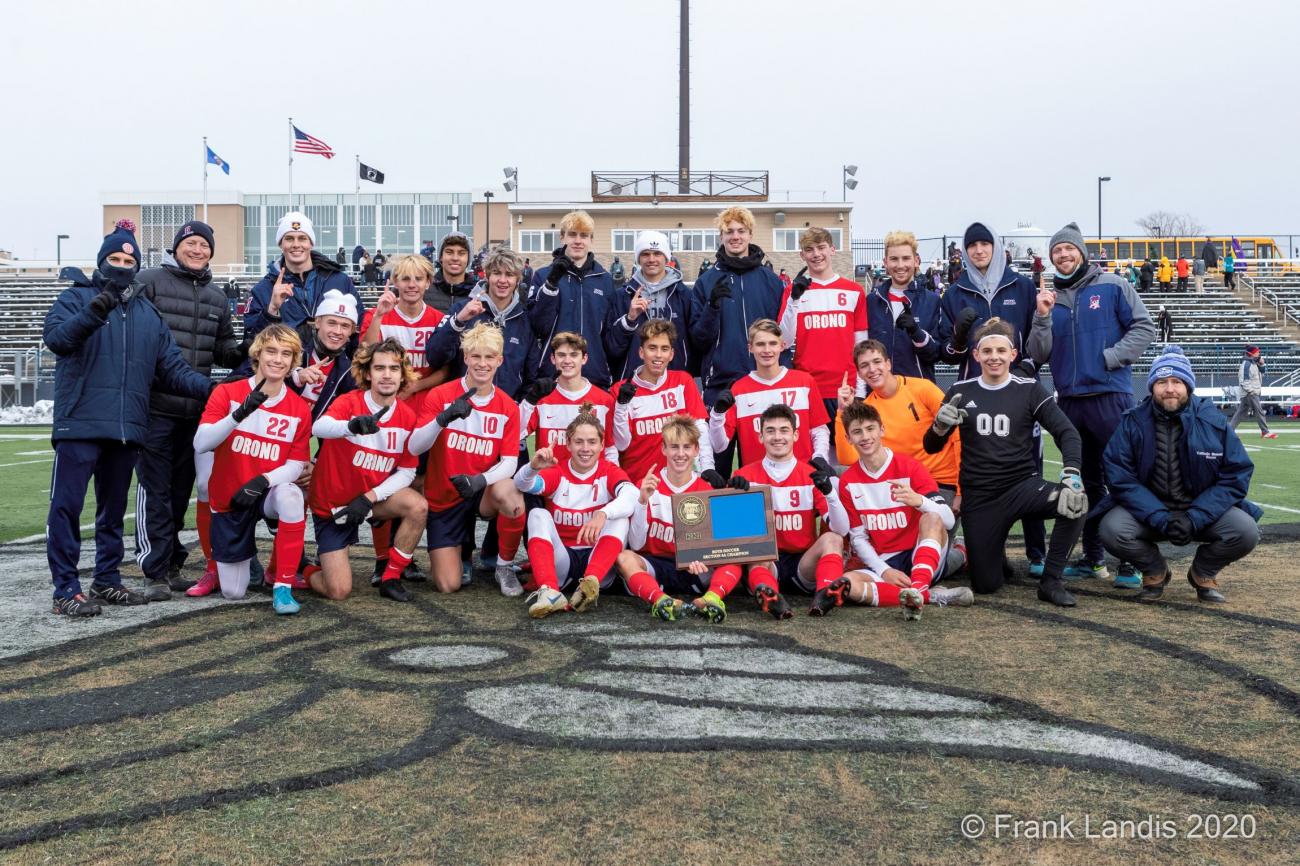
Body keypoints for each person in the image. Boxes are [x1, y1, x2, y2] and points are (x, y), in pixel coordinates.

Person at [43, 220, 216, 617]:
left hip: (127, 428)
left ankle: (106, 579)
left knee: (111, 511)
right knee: (67, 508)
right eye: (115, 259)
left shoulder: (147, 313)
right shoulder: (75, 299)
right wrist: (95, 309)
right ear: (101, 261)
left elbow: (172, 369)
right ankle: (65, 588)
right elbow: (58, 340)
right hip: (80, 423)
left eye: (129, 260)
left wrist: (214, 390)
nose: (122, 265)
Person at [1027, 222, 1155, 588]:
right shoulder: (1050, 299)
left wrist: (1112, 357)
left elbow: (1144, 328)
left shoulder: (1113, 286)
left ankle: (1130, 562)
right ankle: (1093, 558)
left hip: (1110, 396)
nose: (1063, 255)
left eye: (1069, 249)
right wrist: (1042, 316)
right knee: (1082, 484)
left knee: (1122, 478)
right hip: (1069, 402)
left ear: (1082, 252)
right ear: (1051, 258)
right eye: (1057, 252)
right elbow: (1038, 353)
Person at [925, 318, 1086, 607]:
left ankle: (1051, 581)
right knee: (986, 585)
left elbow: (1067, 432)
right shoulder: (961, 391)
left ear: (1013, 354)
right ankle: (989, 553)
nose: (994, 357)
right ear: (976, 355)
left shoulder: (1029, 389)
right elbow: (931, 446)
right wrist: (939, 426)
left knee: (1074, 503)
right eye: (987, 352)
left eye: (1001, 351)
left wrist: (1071, 473)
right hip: (981, 497)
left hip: (1022, 487)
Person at [133, 220, 245, 600]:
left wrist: (252, 348)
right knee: (154, 489)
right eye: (191, 243)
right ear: (177, 246)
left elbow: (225, 351)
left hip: (195, 410)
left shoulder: (215, 296)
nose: (198, 250)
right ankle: (152, 568)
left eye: (204, 245)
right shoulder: (149, 280)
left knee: (182, 490)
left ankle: (171, 564)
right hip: (154, 406)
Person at [1099, 346, 1261, 603]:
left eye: (1177, 381)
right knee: (1111, 528)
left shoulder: (1214, 421)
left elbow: (1236, 475)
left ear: (1188, 385)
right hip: (1148, 512)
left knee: (1245, 531)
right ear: (1152, 386)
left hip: (1201, 511)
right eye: (1162, 382)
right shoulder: (1132, 422)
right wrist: (1159, 517)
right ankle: (1155, 570)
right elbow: (1120, 477)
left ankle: (1202, 573)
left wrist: (1195, 517)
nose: (1170, 388)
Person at [935, 221, 1046, 573]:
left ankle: (1037, 554)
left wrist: (1026, 368)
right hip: (975, 394)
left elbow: (1037, 338)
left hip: (1019, 392)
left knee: (1029, 469)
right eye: (972, 246)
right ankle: (985, 550)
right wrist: (958, 336)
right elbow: (946, 353)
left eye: (985, 244)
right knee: (974, 473)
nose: (979, 251)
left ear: (996, 247)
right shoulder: (954, 293)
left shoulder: (1022, 286)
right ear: (964, 252)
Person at [192, 324, 312, 615]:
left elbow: (296, 464)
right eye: (271, 351)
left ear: (293, 361)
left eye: (286, 354)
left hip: (266, 491)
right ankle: (224, 566)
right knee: (234, 592)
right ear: (257, 354)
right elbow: (201, 442)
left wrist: (264, 480)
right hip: (232, 494)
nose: (278, 359)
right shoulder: (227, 393)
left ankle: (282, 584)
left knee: (293, 496)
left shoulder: (298, 408)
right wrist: (238, 414)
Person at [305, 338, 426, 604]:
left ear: (402, 374)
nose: (386, 375)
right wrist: (351, 426)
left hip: (370, 500)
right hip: (335, 507)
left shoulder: (407, 417)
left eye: (394, 369)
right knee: (338, 591)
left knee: (418, 505)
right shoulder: (349, 402)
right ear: (368, 373)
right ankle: (302, 568)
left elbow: (406, 472)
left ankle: (390, 577)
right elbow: (319, 428)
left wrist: (369, 497)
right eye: (379, 368)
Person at [409, 323, 526, 595]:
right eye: (476, 356)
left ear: (499, 360)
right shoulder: (441, 395)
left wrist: (480, 480)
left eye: (489, 357)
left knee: (509, 492)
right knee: (449, 585)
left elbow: (509, 462)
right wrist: (442, 420)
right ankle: (462, 553)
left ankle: (504, 566)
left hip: (481, 490)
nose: (482, 364)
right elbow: (415, 447)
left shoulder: (508, 406)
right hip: (444, 495)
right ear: (466, 358)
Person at [837, 402, 974, 619]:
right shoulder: (848, 481)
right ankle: (928, 596)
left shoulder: (910, 468)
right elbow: (858, 538)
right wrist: (884, 571)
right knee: (846, 584)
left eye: (870, 428)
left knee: (932, 516)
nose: (865, 436)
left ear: (882, 429)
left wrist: (918, 500)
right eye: (857, 431)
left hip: (920, 557)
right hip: (885, 562)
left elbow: (947, 520)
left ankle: (919, 586)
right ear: (848, 438)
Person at [615, 415, 747, 623]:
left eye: (687, 447)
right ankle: (661, 601)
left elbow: (720, 543)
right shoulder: (648, 485)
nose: (680, 454)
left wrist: (705, 558)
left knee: (735, 556)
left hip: (696, 571)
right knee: (624, 557)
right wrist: (642, 501)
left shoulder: (707, 489)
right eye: (674, 447)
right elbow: (638, 543)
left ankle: (711, 598)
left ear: (696, 450)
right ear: (664, 449)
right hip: (656, 567)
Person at [514, 405, 638, 618]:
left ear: (601, 446)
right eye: (579, 442)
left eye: (592, 442)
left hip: (599, 564)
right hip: (564, 561)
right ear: (568, 444)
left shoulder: (609, 471)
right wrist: (533, 467)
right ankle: (550, 591)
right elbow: (523, 484)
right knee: (538, 514)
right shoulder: (558, 471)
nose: (585, 448)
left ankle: (589, 586)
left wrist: (603, 514)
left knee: (620, 517)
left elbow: (632, 495)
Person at [691, 206, 789, 474]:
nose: (735, 236)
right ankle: (718, 517)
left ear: (750, 234)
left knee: (759, 469)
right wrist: (712, 308)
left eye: (741, 231)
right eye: (729, 231)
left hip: (760, 385)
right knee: (717, 469)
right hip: (720, 385)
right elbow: (698, 339)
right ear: (721, 236)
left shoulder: (770, 281)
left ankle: (764, 517)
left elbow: (782, 335)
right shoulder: (706, 281)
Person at [730, 405, 853, 618]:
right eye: (770, 431)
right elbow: (734, 537)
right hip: (768, 562)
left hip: (803, 565)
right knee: (755, 551)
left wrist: (830, 493)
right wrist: (733, 496)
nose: (777, 437)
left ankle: (825, 593)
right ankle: (770, 597)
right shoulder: (745, 475)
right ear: (760, 437)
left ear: (795, 435)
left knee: (832, 538)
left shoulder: (811, 475)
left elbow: (841, 529)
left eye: (784, 430)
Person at [836, 340, 961, 506]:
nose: (872, 369)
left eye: (877, 361)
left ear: (888, 364)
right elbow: (848, 459)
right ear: (859, 373)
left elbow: (958, 435)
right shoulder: (868, 409)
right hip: (901, 487)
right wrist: (842, 411)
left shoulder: (923, 388)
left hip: (940, 483)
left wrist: (961, 490)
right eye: (865, 365)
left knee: (931, 529)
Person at [707, 319, 830, 469]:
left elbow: (819, 429)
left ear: (782, 346)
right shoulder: (739, 389)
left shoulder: (804, 382)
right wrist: (717, 414)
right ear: (750, 348)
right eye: (760, 344)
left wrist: (820, 456)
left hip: (802, 477)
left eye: (773, 343)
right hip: (758, 482)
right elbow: (719, 446)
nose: (767, 350)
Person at [779, 227, 869, 419]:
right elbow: (784, 341)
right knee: (815, 449)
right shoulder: (792, 292)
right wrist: (794, 300)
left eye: (821, 247)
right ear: (802, 255)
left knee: (846, 449)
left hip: (846, 387)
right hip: (808, 387)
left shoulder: (854, 291)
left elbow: (862, 345)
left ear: (832, 249)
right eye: (810, 249)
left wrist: (861, 392)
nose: (816, 254)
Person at [611, 319, 713, 485]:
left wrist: (708, 468)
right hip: (638, 484)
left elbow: (700, 428)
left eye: (664, 349)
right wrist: (621, 406)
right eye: (652, 348)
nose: (658, 355)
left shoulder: (683, 381)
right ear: (641, 352)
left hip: (679, 484)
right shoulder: (620, 390)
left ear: (671, 354)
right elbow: (621, 445)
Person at [426, 247, 534, 401]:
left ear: (517, 280)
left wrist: (517, 404)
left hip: (505, 412)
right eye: (497, 273)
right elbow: (435, 357)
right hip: (462, 409)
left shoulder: (524, 320)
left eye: (509, 274)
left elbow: (531, 375)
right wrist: (458, 321)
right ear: (488, 276)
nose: (502, 280)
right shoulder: (462, 309)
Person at [529, 210, 621, 387]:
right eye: (572, 234)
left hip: (594, 375)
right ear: (562, 237)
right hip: (552, 375)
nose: (578, 241)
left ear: (591, 240)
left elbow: (609, 334)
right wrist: (551, 284)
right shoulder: (543, 276)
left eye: (584, 235)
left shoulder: (605, 280)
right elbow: (538, 326)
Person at [245, 213, 360, 338]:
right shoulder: (263, 290)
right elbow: (251, 344)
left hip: (332, 358)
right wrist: (271, 310)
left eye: (302, 238)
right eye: (289, 238)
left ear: (311, 243)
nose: (296, 244)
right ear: (280, 244)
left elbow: (357, 329)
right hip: (287, 357)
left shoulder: (340, 281)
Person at [360, 254, 447, 418]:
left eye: (419, 279)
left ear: (428, 282)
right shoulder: (376, 315)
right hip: (384, 404)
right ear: (395, 281)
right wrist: (378, 316)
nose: (412, 285)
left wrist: (417, 385)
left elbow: (446, 370)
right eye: (405, 279)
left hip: (425, 406)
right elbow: (365, 354)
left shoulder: (440, 320)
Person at [607, 230, 700, 380]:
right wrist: (630, 319)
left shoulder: (684, 295)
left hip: (675, 382)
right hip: (634, 382)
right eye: (645, 254)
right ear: (638, 259)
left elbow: (696, 342)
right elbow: (612, 348)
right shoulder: (622, 296)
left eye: (657, 253)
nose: (651, 259)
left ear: (666, 257)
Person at [522, 332, 617, 466]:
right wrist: (530, 400)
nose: (567, 361)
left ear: (584, 359)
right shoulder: (541, 398)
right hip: (549, 481)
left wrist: (612, 480)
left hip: (591, 482)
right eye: (561, 355)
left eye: (574, 355)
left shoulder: (604, 401)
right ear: (553, 359)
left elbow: (610, 448)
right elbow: (517, 434)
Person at [865, 231, 941, 381]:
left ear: (916, 261)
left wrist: (917, 333)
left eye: (906, 258)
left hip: (917, 391)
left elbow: (936, 354)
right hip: (879, 391)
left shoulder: (932, 301)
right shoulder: (872, 301)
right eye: (894, 259)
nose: (900, 265)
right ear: (885, 263)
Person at [424, 232, 477, 314]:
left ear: (468, 259)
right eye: (449, 252)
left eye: (461, 253)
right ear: (441, 257)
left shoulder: (478, 293)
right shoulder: (424, 289)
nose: (455, 258)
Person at [1230, 346, 1276, 438]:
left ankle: (1229, 431)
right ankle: (1265, 432)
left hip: (1249, 392)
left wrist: (1262, 364)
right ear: (1252, 353)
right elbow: (1243, 380)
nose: (1259, 354)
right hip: (1250, 393)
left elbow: (1263, 371)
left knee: (1240, 414)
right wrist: (1251, 391)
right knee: (1259, 411)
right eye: (1257, 352)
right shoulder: (1247, 364)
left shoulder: (1254, 362)